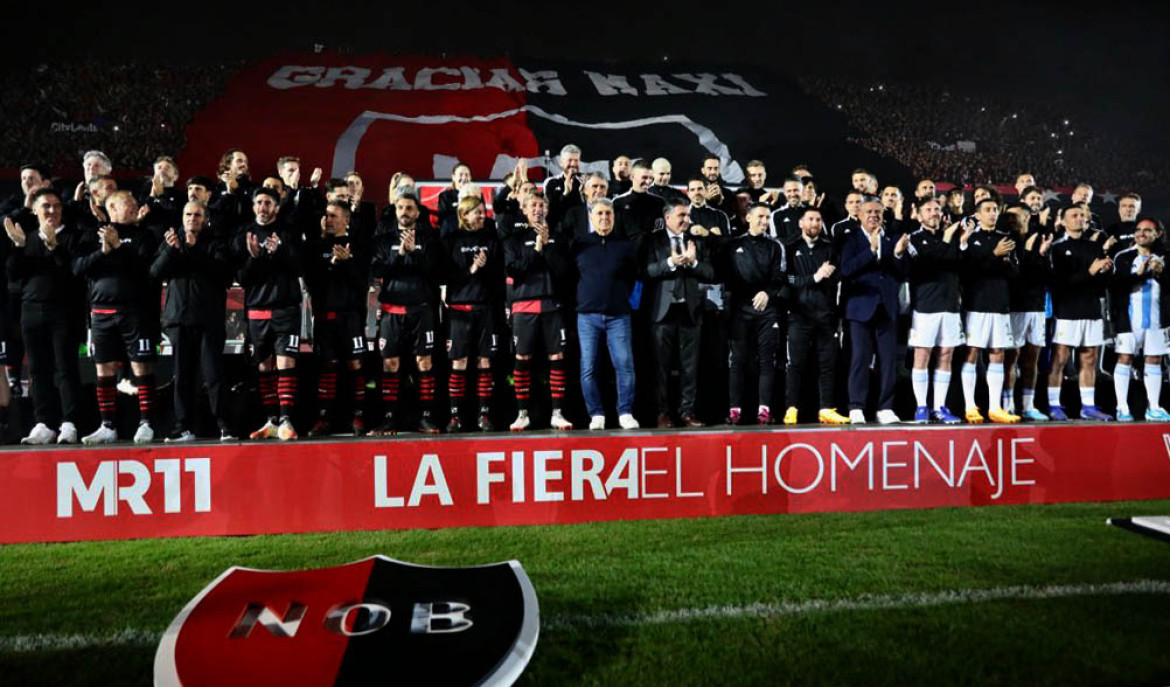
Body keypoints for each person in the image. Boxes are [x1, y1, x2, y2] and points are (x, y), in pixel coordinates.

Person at [73, 190, 160, 444]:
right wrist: (104, 251)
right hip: (101, 314)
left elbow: (147, 269)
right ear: (111, 208)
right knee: (104, 369)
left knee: (141, 367)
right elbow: (78, 268)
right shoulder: (93, 235)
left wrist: (119, 248)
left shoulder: (144, 236)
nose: (135, 207)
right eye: (128, 204)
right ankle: (107, 425)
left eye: (135, 203)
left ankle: (146, 422)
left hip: (134, 311)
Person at [4, 189, 85, 444]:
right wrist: (17, 247)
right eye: (46, 206)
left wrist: (54, 246)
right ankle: (44, 423)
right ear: (35, 211)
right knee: (38, 371)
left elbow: (74, 272)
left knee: (66, 369)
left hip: (63, 312)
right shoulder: (26, 239)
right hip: (31, 312)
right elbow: (14, 275)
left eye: (56, 206)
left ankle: (69, 422)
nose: (52, 211)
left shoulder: (74, 238)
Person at [150, 201, 234, 441]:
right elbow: (155, 273)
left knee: (214, 375)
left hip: (209, 321)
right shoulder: (170, 243)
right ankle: (183, 427)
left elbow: (224, 275)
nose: (192, 219)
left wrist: (193, 249)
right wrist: (171, 251)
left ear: (205, 219)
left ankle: (224, 425)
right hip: (179, 320)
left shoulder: (216, 243)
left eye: (197, 215)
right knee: (182, 377)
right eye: (188, 214)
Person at [233, 188, 304, 440]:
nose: (263, 207)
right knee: (264, 366)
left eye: (268, 203)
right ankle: (271, 420)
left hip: (285, 308)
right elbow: (240, 277)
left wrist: (280, 252)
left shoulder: (289, 231)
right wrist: (254, 257)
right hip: (256, 310)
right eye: (259, 202)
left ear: (276, 207)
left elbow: (300, 267)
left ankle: (286, 420)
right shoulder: (244, 234)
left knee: (286, 362)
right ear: (253, 207)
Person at [368, 193, 441, 435]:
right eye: (400, 207)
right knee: (390, 364)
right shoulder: (383, 239)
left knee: (424, 362)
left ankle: (426, 418)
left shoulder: (429, 238)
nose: (405, 211)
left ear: (418, 213)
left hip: (422, 309)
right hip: (392, 310)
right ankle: (389, 418)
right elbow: (378, 270)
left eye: (410, 208)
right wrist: (399, 254)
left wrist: (415, 253)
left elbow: (436, 271)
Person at [504, 193, 574, 431]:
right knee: (522, 358)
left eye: (542, 204)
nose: (537, 209)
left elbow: (566, 272)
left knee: (557, 358)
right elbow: (514, 271)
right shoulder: (514, 239)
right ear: (524, 210)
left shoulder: (559, 237)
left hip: (553, 305)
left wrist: (547, 249)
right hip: (524, 306)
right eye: (533, 205)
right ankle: (522, 413)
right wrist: (536, 248)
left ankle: (558, 413)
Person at [642, 198, 714, 428]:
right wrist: (671, 262)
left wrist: (693, 263)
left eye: (688, 215)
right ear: (667, 218)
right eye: (681, 216)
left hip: (690, 312)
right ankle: (662, 413)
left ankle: (687, 412)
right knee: (660, 367)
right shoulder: (653, 241)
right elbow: (647, 271)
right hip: (662, 313)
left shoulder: (697, 241)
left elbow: (710, 272)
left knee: (690, 367)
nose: (686, 220)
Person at [839, 199, 909, 424]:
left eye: (878, 212)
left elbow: (902, 273)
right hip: (860, 307)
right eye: (869, 212)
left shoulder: (891, 240)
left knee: (888, 360)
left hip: (887, 307)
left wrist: (898, 255)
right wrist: (871, 250)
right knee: (859, 357)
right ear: (859, 214)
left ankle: (885, 408)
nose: (874, 216)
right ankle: (856, 406)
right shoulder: (850, 239)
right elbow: (846, 270)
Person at [304, 201, 369, 437]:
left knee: (356, 364)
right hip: (324, 317)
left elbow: (363, 284)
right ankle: (324, 419)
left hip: (351, 317)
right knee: (327, 365)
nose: (329, 219)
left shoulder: (359, 247)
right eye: (326, 215)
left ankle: (359, 417)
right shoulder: (315, 247)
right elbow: (312, 283)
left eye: (333, 215)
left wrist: (348, 263)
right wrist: (332, 264)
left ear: (346, 220)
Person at [573, 198, 639, 430]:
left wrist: (623, 300)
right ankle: (596, 414)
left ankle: (625, 412)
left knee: (624, 364)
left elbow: (633, 277)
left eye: (608, 213)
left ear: (614, 216)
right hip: (587, 316)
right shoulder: (580, 243)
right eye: (600, 213)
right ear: (591, 216)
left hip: (618, 315)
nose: (604, 217)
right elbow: (572, 277)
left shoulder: (625, 244)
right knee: (588, 366)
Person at [782, 208, 848, 425]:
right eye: (810, 219)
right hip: (799, 315)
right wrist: (815, 277)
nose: (814, 223)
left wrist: (825, 278)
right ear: (801, 223)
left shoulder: (830, 248)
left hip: (825, 315)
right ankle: (792, 408)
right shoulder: (790, 247)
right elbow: (787, 280)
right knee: (796, 364)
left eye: (818, 219)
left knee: (827, 364)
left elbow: (837, 276)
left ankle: (826, 408)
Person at [1047, 205, 1113, 421]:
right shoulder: (1056, 248)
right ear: (1064, 222)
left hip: (1091, 309)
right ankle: (1053, 404)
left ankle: (1088, 406)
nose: (1079, 219)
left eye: (1083, 216)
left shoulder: (1094, 247)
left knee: (1089, 358)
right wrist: (1090, 272)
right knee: (1060, 359)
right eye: (1074, 215)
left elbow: (1099, 283)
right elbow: (1061, 283)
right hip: (1067, 310)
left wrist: (1104, 271)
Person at [443, 196, 502, 432]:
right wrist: (472, 269)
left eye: (483, 211)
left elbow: (500, 274)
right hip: (459, 310)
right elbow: (444, 275)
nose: (482, 215)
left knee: (484, 361)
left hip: (485, 309)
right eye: (476, 212)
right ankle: (455, 416)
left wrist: (485, 269)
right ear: (464, 215)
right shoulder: (451, 240)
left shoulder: (492, 240)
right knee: (459, 362)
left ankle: (484, 415)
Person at [959, 199, 1021, 424]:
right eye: (987, 210)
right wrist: (994, 256)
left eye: (995, 210)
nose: (992, 213)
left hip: (1001, 305)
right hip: (976, 304)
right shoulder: (970, 240)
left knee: (998, 354)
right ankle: (970, 406)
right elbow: (969, 273)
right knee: (972, 353)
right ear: (977, 215)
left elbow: (1015, 273)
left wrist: (1003, 262)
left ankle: (995, 407)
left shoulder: (1005, 239)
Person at [724, 203, 785, 425]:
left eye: (767, 217)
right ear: (748, 218)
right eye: (760, 217)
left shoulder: (775, 246)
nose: (764, 221)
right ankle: (734, 410)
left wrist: (767, 294)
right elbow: (728, 278)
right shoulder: (734, 245)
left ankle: (764, 410)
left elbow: (780, 277)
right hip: (741, 310)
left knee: (767, 360)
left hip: (767, 310)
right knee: (738, 360)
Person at [906, 199, 963, 424]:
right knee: (923, 355)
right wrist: (948, 240)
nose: (934, 213)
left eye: (937, 209)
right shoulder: (914, 239)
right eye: (928, 210)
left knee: (946, 355)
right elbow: (929, 261)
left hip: (950, 305)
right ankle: (921, 406)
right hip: (926, 305)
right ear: (919, 216)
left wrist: (950, 241)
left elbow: (957, 260)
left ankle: (940, 406)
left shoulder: (950, 237)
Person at [1109, 217, 1170, 421]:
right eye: (1138, 230)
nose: (1141, 233)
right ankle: (1122, 407)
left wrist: (1162, 274)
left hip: (1157, 319)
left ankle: (1153, 406)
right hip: (1129, 319)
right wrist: (1140, 274)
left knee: (1154, 360)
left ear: (1158, 233)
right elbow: (1117, 286)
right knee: (1124, 358)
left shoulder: (1166, 257)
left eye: (1147, 230)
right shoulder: (1124, 256)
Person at [1002, 206, 1053, 420]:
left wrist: (1039, 254)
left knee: (1032, 359)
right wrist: (1030, 255)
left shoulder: (1039, 239)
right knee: (1010, 358)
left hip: (1037, 307)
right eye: (1010, 216)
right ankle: (1007, 404)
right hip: (1014, 307)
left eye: (1018, 216)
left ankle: (1028, 405)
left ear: (1027, 217)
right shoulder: (1007, 242)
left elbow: (1048, 275)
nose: (1013, 219)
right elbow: (1014, 275)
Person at [545, 145, 583, 229]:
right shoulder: (551, 182)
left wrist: (582, 194)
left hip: (579, 229)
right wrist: (565, 194)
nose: (573, 164)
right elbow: (549, 211)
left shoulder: (585, 182)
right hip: (558, 230)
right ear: (561, 162)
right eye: (569, 160)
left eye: (576, 160)